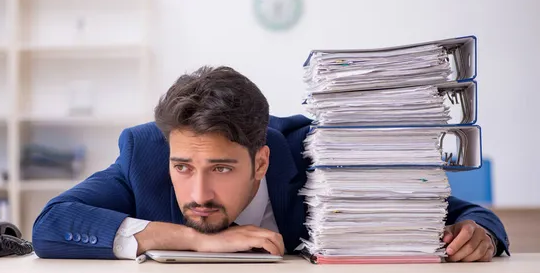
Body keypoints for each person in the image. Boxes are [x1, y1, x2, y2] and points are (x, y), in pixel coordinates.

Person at [32, 66, 509, 261]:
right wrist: (187, 237)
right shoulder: (145, 152)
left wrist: (481, 233)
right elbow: (52, 224)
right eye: (183, 168)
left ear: (261, 161)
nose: (197, 194)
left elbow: (464, 212)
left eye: (221, 168)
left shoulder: (316, 155)